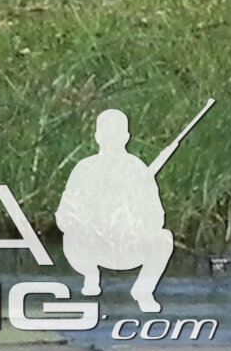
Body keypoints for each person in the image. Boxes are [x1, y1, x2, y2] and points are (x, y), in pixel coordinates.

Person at [57, 108, 175, 312]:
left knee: (163, 238)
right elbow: (64, 214)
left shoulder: (138, 170)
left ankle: (144, 290)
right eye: (107, 133)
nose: (111, 139)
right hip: (93, 245)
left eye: (116, 134)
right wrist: (87, 222)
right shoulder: (84, 169)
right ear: (97, 136)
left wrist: (133, 222)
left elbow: (157, 217)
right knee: (71, 236)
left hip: (127, 246)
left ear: (126, 137)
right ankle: (91, 275)